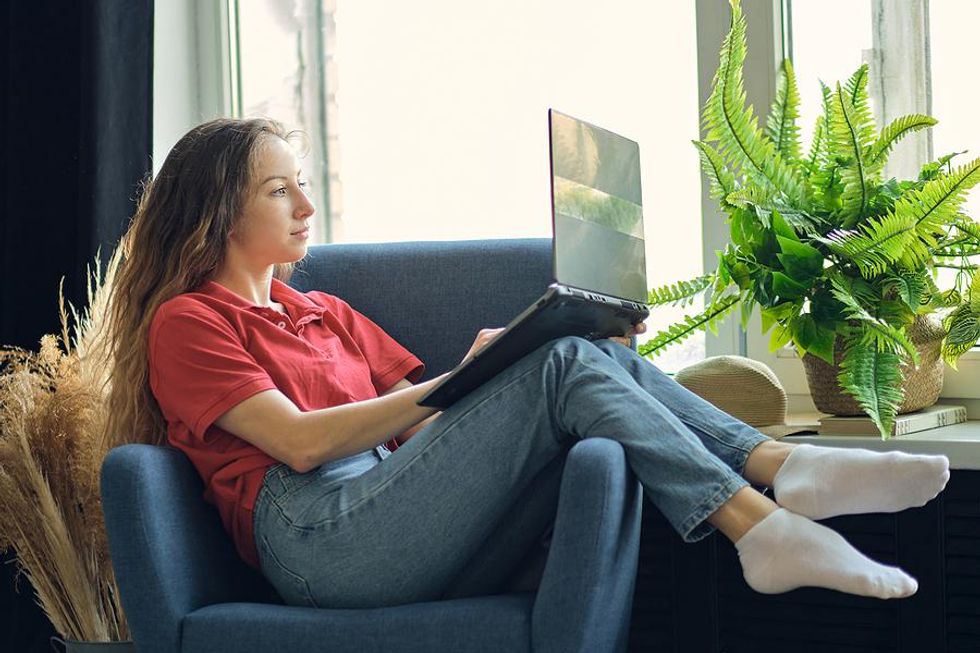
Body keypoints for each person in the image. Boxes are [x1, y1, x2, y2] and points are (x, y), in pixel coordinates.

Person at [105, 117, 950, 611]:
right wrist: (477, 379)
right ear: (217, 208)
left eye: (300, 184)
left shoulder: (320, 309)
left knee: (572, 352)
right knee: (555, 365)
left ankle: (783, 484)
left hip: (394, 510)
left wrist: (493, 367)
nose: (306, 205)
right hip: (318, 540)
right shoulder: (189, 321)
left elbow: (427, 419)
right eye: (279, 190)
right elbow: (294, 444)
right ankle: (773, 501)